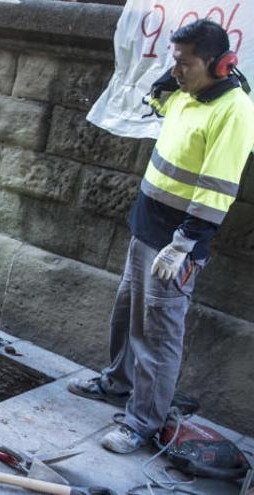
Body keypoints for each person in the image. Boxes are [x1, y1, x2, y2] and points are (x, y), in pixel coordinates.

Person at [67, 19, 254, 454]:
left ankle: (143, 423)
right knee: (127, 315)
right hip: (146, 227)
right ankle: (116, 383)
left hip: (175, 243)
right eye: (175, 60)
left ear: (218, 64)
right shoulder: (189, 94)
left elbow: (218, 188)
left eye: (185, 63)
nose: (178, 70)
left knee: (157, 336)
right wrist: (167, 78)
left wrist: (184, 244)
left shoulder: (234, 111)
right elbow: (160, 105)